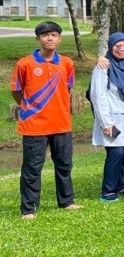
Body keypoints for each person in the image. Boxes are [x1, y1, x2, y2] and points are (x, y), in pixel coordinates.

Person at [12, 21, 81, 219]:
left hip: (61, 124)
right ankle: (29, 209)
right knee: (32, 167)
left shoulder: (66, 63)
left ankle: (66, 201)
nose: (50, 38)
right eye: (45, 35)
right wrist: (30, 108)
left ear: (60, 38)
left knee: (64, 165)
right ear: (37, 39)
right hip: (34, 125)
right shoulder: (25, 63)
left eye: (54, 35)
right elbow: (17, 91)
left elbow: (67, 89)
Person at [90, 32, 124, 203]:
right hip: (112, 116)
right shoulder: (104, 66)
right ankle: (108, 191)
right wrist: (105, 122)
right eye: (117, 46)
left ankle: (121, 186)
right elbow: (97, 95)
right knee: (116, 152)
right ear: (111, 47)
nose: (121, 49)